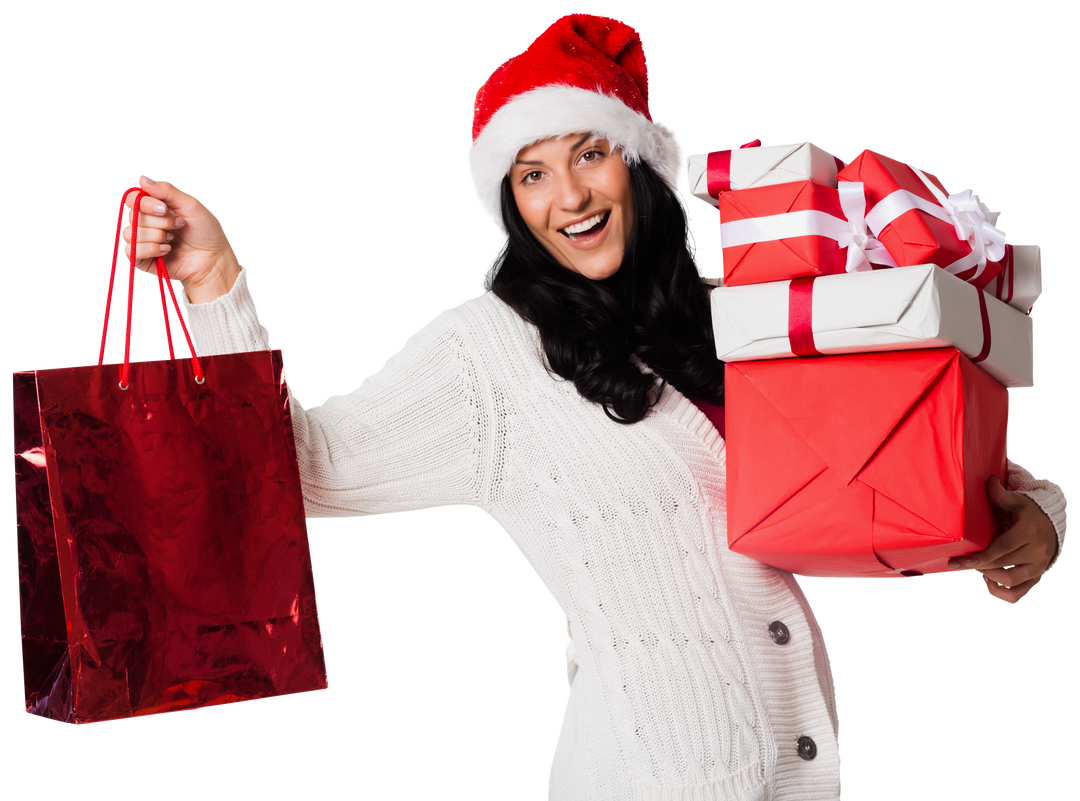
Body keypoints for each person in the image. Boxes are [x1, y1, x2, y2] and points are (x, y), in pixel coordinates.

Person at [117, 11, 1068, 799]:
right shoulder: (492, 349)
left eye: (589, 154)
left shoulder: (745, 307)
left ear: (642, 164)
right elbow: (302, 470)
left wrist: (1041, 521)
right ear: (510, 202)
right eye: (531, 174)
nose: (568, 195)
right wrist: (217, 281)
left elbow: (928, 444)